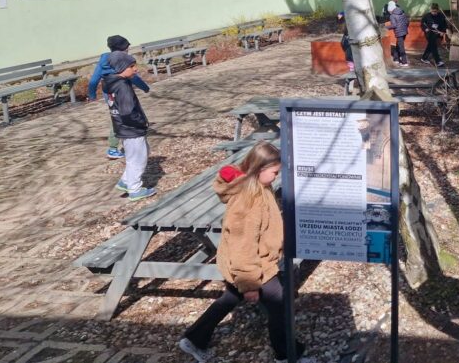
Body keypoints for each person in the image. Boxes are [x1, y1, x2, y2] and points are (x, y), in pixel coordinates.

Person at [179, 142, 307, 363]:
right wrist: (249, 284)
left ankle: (194, 339)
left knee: (230, 297)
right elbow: (243, 246)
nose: (276, 177)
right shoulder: (249, 201)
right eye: (274, 172)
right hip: (254, 266)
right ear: (259, 169)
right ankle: (286, 355)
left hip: (251, 264)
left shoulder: (258, 186)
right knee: (280, 304)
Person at [102, 51, 156, 201]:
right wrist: (141, 123)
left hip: (122, 127)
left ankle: (126, 181)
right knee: (138, 158)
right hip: (132, 129)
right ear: (121, 68)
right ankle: (135, 189)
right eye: (131, 66)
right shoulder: (123, 86)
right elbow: (127, 112)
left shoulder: (110, 82)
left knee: (139, 154)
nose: (135, 69)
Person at [88, 35, 149, 159]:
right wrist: (144, 87)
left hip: (109, 92)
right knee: (125, 115)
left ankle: (116, 146)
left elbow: (94, 80)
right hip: (122, 89)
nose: (128, 50)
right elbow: (133, 77)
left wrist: (92, 94)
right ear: (122, 48)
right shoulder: (121, 60)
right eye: (127, 48)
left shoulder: (104, 59)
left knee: (116, 115)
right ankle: (116, 146)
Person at [420, 3, 448, 67]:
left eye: (435, 11)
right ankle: (438, 61)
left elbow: (445, 25)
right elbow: (422, 24)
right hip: (429, 33)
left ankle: (424, 58)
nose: (434, 13)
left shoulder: (441, 16)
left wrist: (443, 32)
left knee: (430, 45)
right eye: (432, 11)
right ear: (430, 10)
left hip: (437, 33)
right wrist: (425, 29)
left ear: (438, 10)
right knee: (433, 46)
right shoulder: (427, 16)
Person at [387, 2, 409, 67]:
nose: (389, 12)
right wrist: (404, 28)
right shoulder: (402, 12)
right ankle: (396, 59)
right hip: (404, 31)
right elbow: (407, 22)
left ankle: (404, 62)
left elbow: (394, 25)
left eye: (389, 11)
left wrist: (386, 27)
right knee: (398, 44)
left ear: (390, 9)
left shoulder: (392, 16)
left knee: (401, 47)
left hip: (399, 32)